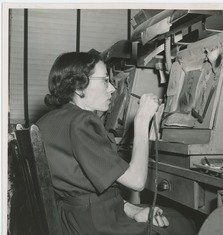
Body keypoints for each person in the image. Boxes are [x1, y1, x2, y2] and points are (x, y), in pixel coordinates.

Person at [37, 52, 197, 235]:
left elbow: (85, 188)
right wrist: (142, 120)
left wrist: (134, 210)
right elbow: (137, 181)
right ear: (79, 88)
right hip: (96, 224)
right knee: (183, 225)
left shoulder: (48, 121)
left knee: (175, 218)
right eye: (105, 80)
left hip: (74, 219)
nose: (112, 88)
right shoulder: (82, 123)